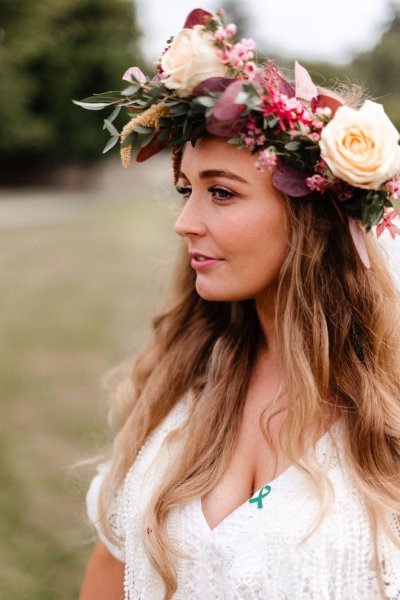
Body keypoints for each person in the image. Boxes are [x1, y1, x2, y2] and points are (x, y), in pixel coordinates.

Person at [77, 8, 400, 600]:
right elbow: (110, 571)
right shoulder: (183, 378)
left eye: (220, 193)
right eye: (187, 190)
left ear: (310, 218)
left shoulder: (385, 415)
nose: (184, 223)